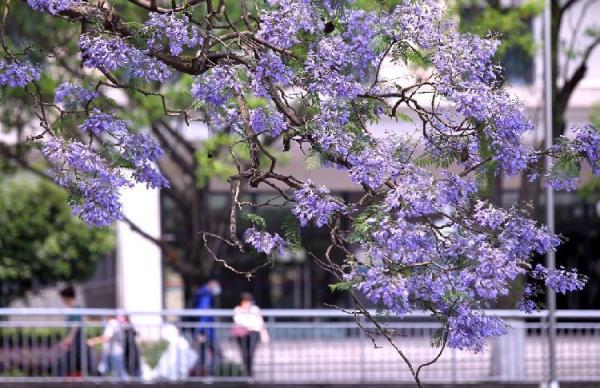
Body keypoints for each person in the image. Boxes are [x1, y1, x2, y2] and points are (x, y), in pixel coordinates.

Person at [56, 286, 94, 376]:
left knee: (65, 367)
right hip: (76, 345)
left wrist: (67, 340)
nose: (62, 301)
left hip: (77, 344)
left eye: (63, 299)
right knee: (76, 369)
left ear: (67, 298)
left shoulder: (77, 309)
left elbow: (75, 327)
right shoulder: (73, 310)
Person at [232, 292, 269, 377]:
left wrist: (264, 334)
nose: (247, 303)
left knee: (251, 352)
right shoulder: (238, 309)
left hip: (254, 333)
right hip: (242, 334)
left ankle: (249, 371)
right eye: (245, 301)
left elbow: (260, 322)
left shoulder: (255, 309)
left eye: (248, 301)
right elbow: (238, 320)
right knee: (244, 353)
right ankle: (247, 370)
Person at [192, 279, 222, 375]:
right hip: (206, 331)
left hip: (205, 330)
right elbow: (203, 315)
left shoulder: (203, 294)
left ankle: (201, 374)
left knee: (202, 354)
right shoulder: (205, 296)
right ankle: (209, 374)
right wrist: (201, 332)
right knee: (214, 353)